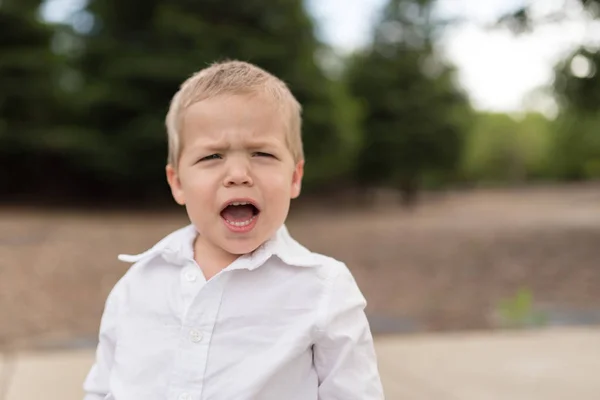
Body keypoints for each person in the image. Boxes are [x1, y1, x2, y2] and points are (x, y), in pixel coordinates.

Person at [83, 60, 384, 400]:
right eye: (212, 156)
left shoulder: (323, 289)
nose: (238, 174)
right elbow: (103, 389)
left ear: (295, 177)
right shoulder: (137, 285)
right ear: (178, 183)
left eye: (261, 153)